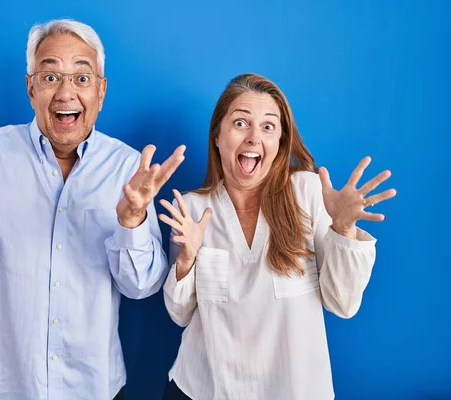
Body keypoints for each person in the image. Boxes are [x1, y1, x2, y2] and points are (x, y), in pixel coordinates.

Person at [0, 19, 184, 400]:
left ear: (101, 91)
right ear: (30, 87)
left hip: (93, 388)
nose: (66, 92)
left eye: (82, 78)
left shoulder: (127, 168)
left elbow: (141, 287)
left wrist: (132, 223)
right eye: (50, 77)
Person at [159, 73, 396, 400]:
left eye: (268, 127)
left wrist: (343, 228)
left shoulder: (307, 192)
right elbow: (180, 314)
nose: (254, 137)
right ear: (217, 135)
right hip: (203, 389)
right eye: (241, 123)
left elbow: (343, 303)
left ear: (281, 141)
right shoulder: (192, 208)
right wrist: (186, 259)